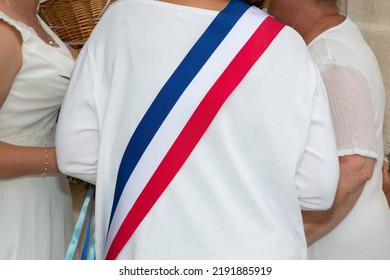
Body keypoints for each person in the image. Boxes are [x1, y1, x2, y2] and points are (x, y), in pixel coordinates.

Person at [55, 0, 339, 260]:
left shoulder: (120, 21)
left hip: (151, 251)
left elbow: (74, 154)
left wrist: (173, 178)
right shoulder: (287, 43)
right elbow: (319, 189)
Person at [264, 0, 390, 259]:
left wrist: (291, 237)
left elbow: (355, 167)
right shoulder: (333, 43)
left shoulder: (332, 56)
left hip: (340, 250)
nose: (266, 6)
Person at [0, 0, 78, 259]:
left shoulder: (34, 18)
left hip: (48, 198)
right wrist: (68, 159)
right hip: (11, 206)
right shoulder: (4, 30)